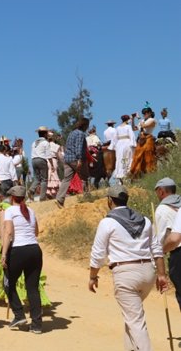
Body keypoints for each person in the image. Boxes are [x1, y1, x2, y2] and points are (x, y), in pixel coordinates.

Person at [89, 185, 168, 351]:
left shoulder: (107, 222)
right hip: (148, 273)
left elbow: (98, 253)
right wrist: (161, 275)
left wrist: (93, 276)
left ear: (109, 200)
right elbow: (157, 249)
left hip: (126, 275)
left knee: (135, 320)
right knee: (131, 316)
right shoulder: (145, 220)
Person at [0, 186, 44, 333]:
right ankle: (37, 325)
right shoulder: (30, 211)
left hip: (18, 250)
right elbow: (36, 232)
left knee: (7, 283)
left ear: (12, 197)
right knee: (32, 287)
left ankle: (19, 315)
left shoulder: (10, 211)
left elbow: (8, 233)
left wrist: (4, 254)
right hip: (35, 250)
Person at [154, 177, 181, 309]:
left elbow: (160, 241)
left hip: (178, 254)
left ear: (161, 191)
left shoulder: (162, 210)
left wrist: (159, 270)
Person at [55, 118, 89, 208]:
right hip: (75, 159)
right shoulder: (80, 134)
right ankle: (87, 197)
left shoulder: (72, 133)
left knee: (66, 179)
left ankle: (59, 199)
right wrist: (79, 159)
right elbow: (78, 147)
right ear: (85, 125)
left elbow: (67, 145)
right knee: (84, 176)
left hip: (67, 159)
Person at [130, 106, 157, 177]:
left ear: (150, 113)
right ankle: (137, 173)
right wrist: (132, 119)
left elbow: (144, 126)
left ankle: (149, 172)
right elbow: (134, 128)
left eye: (146, 113)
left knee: (148, 156)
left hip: (148, 139)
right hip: (140, 140)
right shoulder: (142, 120)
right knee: (137, 157)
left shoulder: (152, 120)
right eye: (143, 113)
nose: (144, 114)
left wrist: (138, 118)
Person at [109, 115, 136, 182]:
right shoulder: (128, 127)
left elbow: (114, 138)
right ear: (127, 120)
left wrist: (113, 146)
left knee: (119, 159)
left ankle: (120, 176)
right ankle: (127, 174)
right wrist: (133, 144)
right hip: (127, 143)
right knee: (129, 158)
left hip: (119, 144)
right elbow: (132, 135)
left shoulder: (117, 128)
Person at [29, 127, 52, 202]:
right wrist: (52, 164)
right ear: (45, 134)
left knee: (36, 178)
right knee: (44, 179)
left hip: (33, 160)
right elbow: (48, 155)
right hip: (41, 160)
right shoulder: (46, 142)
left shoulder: (34, 142)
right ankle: (42, 197)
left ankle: (31, 190)